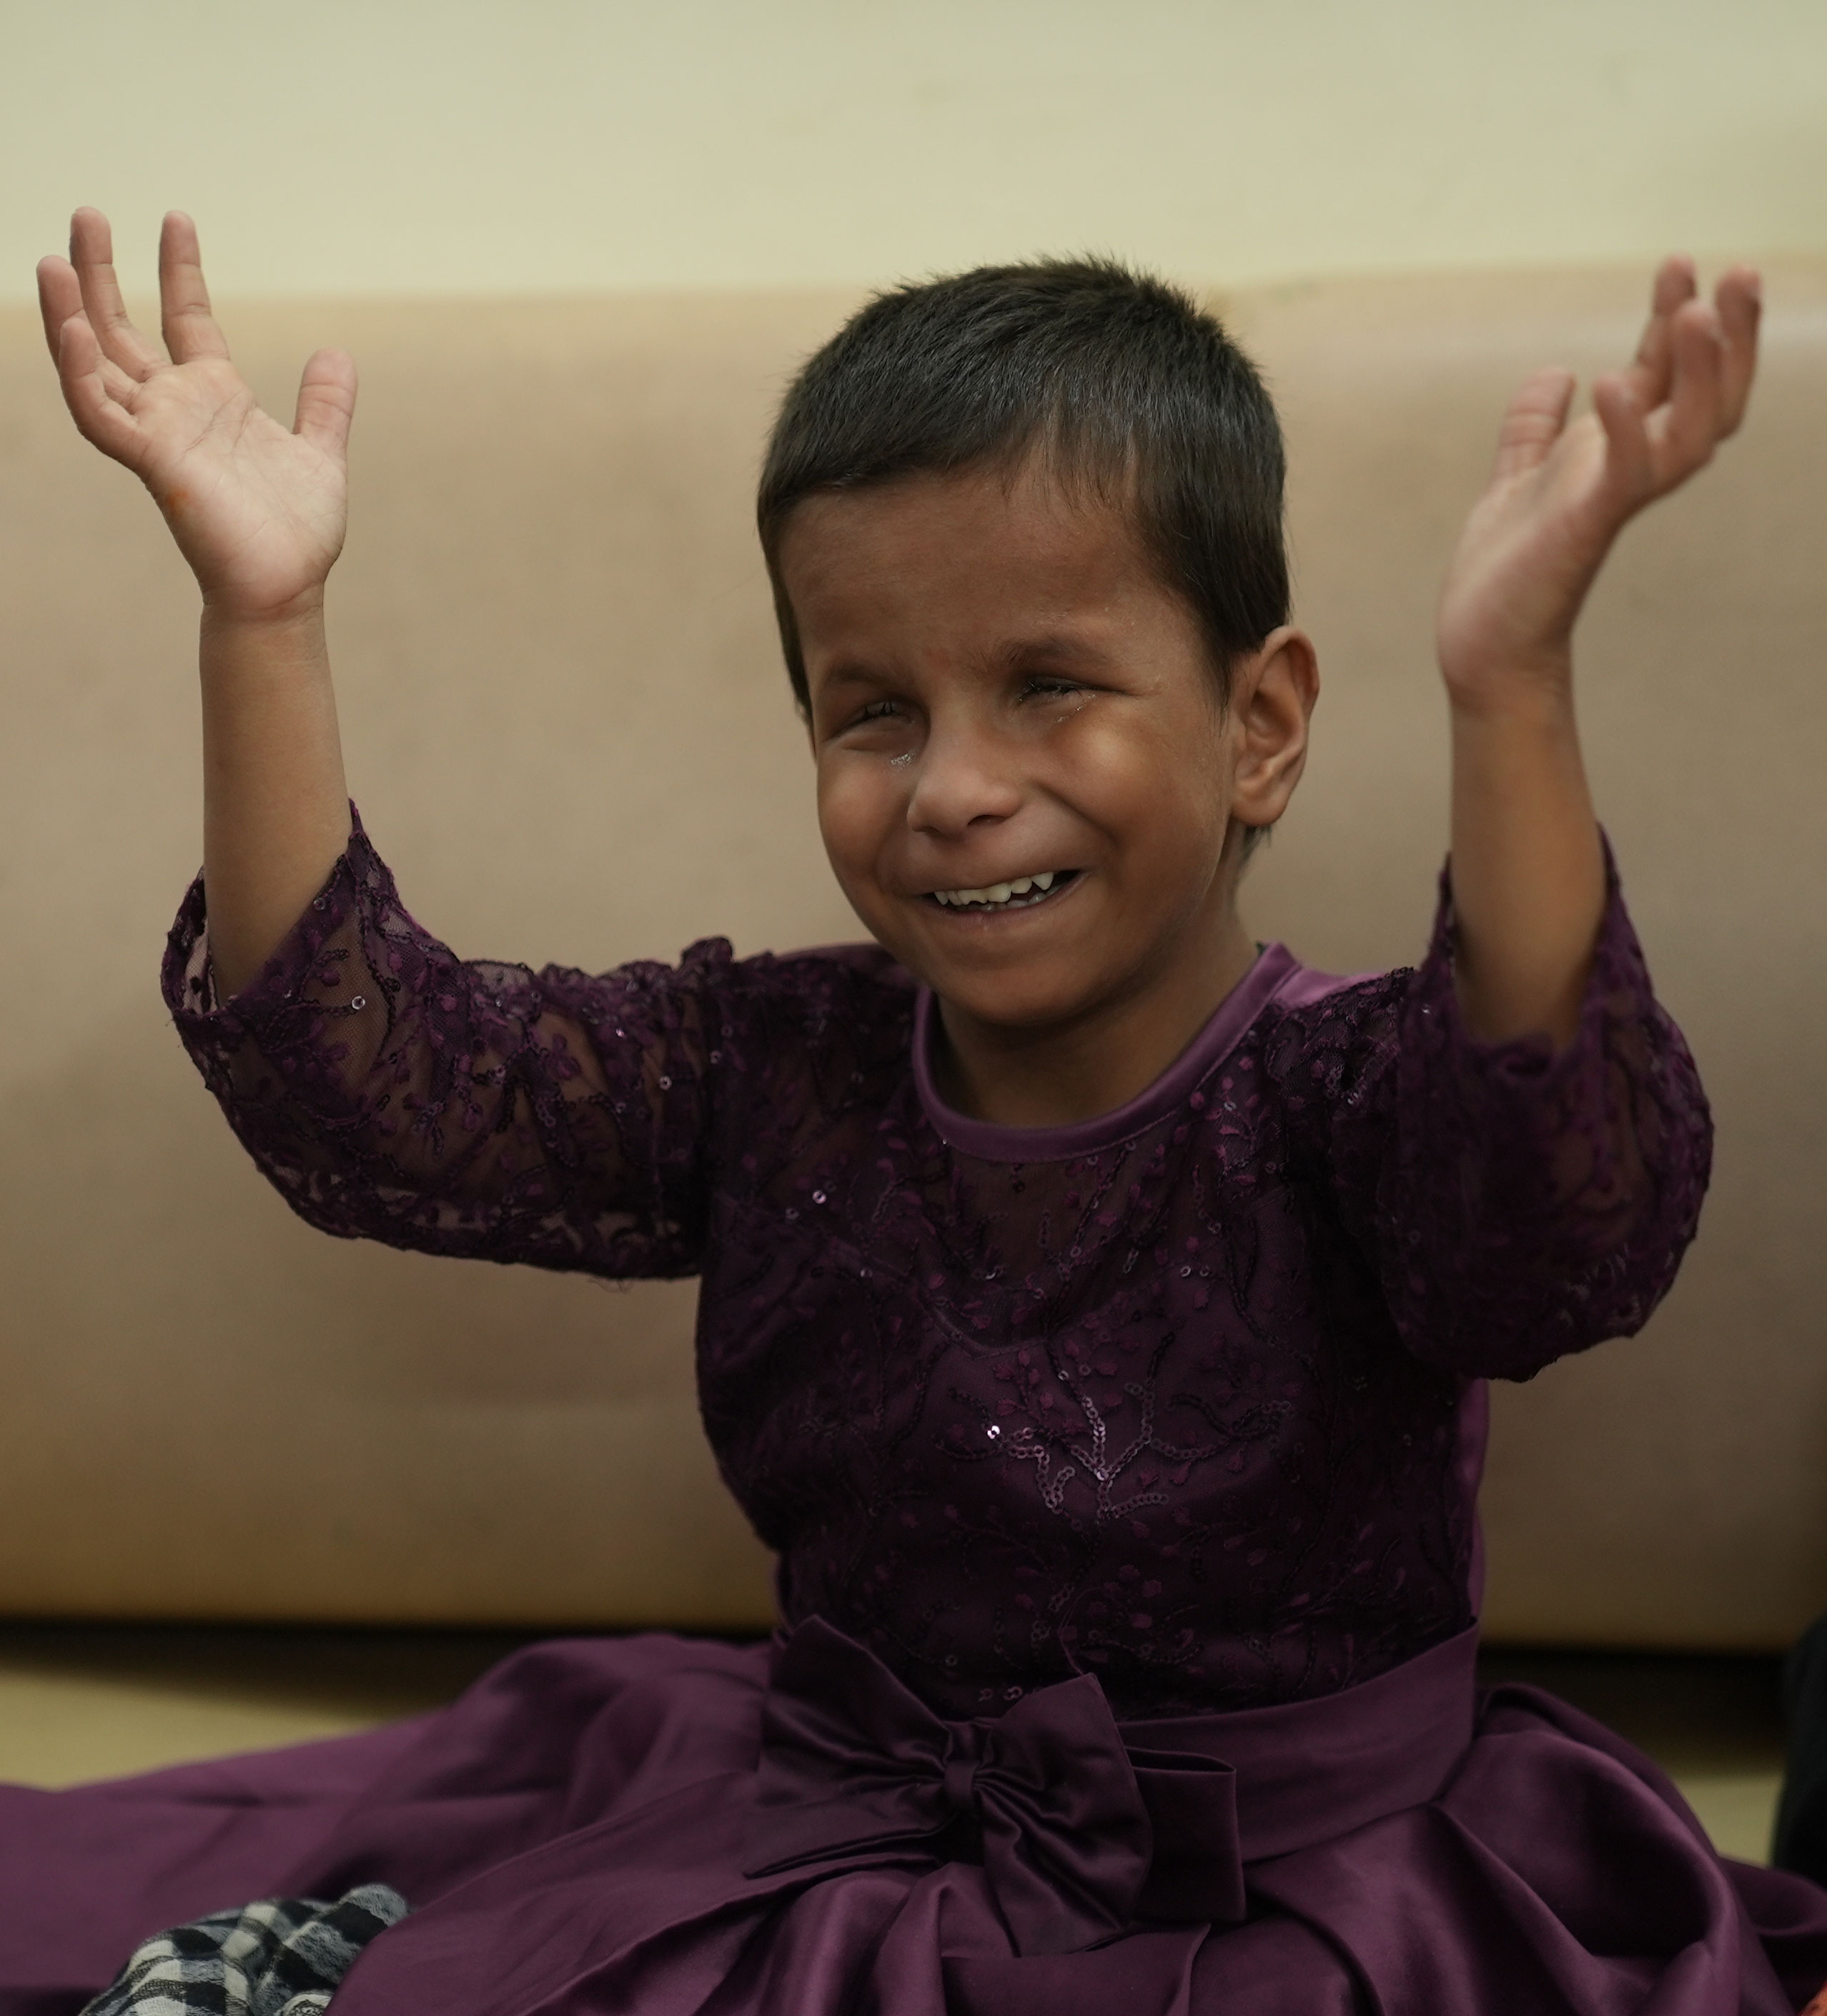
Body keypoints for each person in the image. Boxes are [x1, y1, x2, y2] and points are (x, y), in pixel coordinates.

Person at [6, 206, 1823, 2016]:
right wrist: (264, 616)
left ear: (1259, 721)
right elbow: (380, 1091)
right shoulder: (767, 1064)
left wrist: (1507, 691)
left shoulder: (1352, 1099)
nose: (953, 787)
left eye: (1049, 687)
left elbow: (1557, 1212)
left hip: (1309, 1921)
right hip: (825, 1864)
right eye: (875, 712)